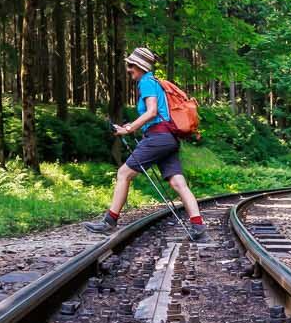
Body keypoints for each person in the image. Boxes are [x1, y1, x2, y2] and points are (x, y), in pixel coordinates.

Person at [84, 46, 205, 241]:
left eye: (131, 65)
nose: (129, 68)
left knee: (123, 173)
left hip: (158, 138)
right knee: (178, 182)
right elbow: (154, 117)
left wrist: (129, 129)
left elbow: (152, 112)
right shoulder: (154, 82)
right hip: (169, 138)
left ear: (140, 66)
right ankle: (199, 227)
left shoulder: (146, 82)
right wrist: (131, 127)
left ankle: (109, 221)